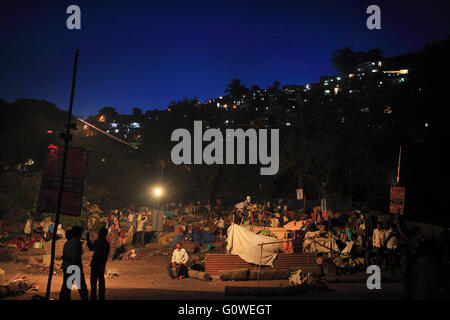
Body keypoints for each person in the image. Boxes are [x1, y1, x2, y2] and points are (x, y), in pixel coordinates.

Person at [59, 226, 88, 300]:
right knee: (82, 288)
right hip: (74, 267)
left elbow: (64, 255)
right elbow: (74, 257)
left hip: (68, 267)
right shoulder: (76, 243)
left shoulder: (67, 243)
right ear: (78, 233)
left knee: (66, 288)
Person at [87, 227, 110, 300]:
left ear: (102, 234)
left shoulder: (98, 241)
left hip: (95, 264)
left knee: (93, 282)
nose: (98, 233)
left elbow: (91, 248)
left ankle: (93, 296)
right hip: (102, 264)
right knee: (101, 280)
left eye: (100, 232)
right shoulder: (106, 243)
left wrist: (88, 239)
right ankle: (101, 296)